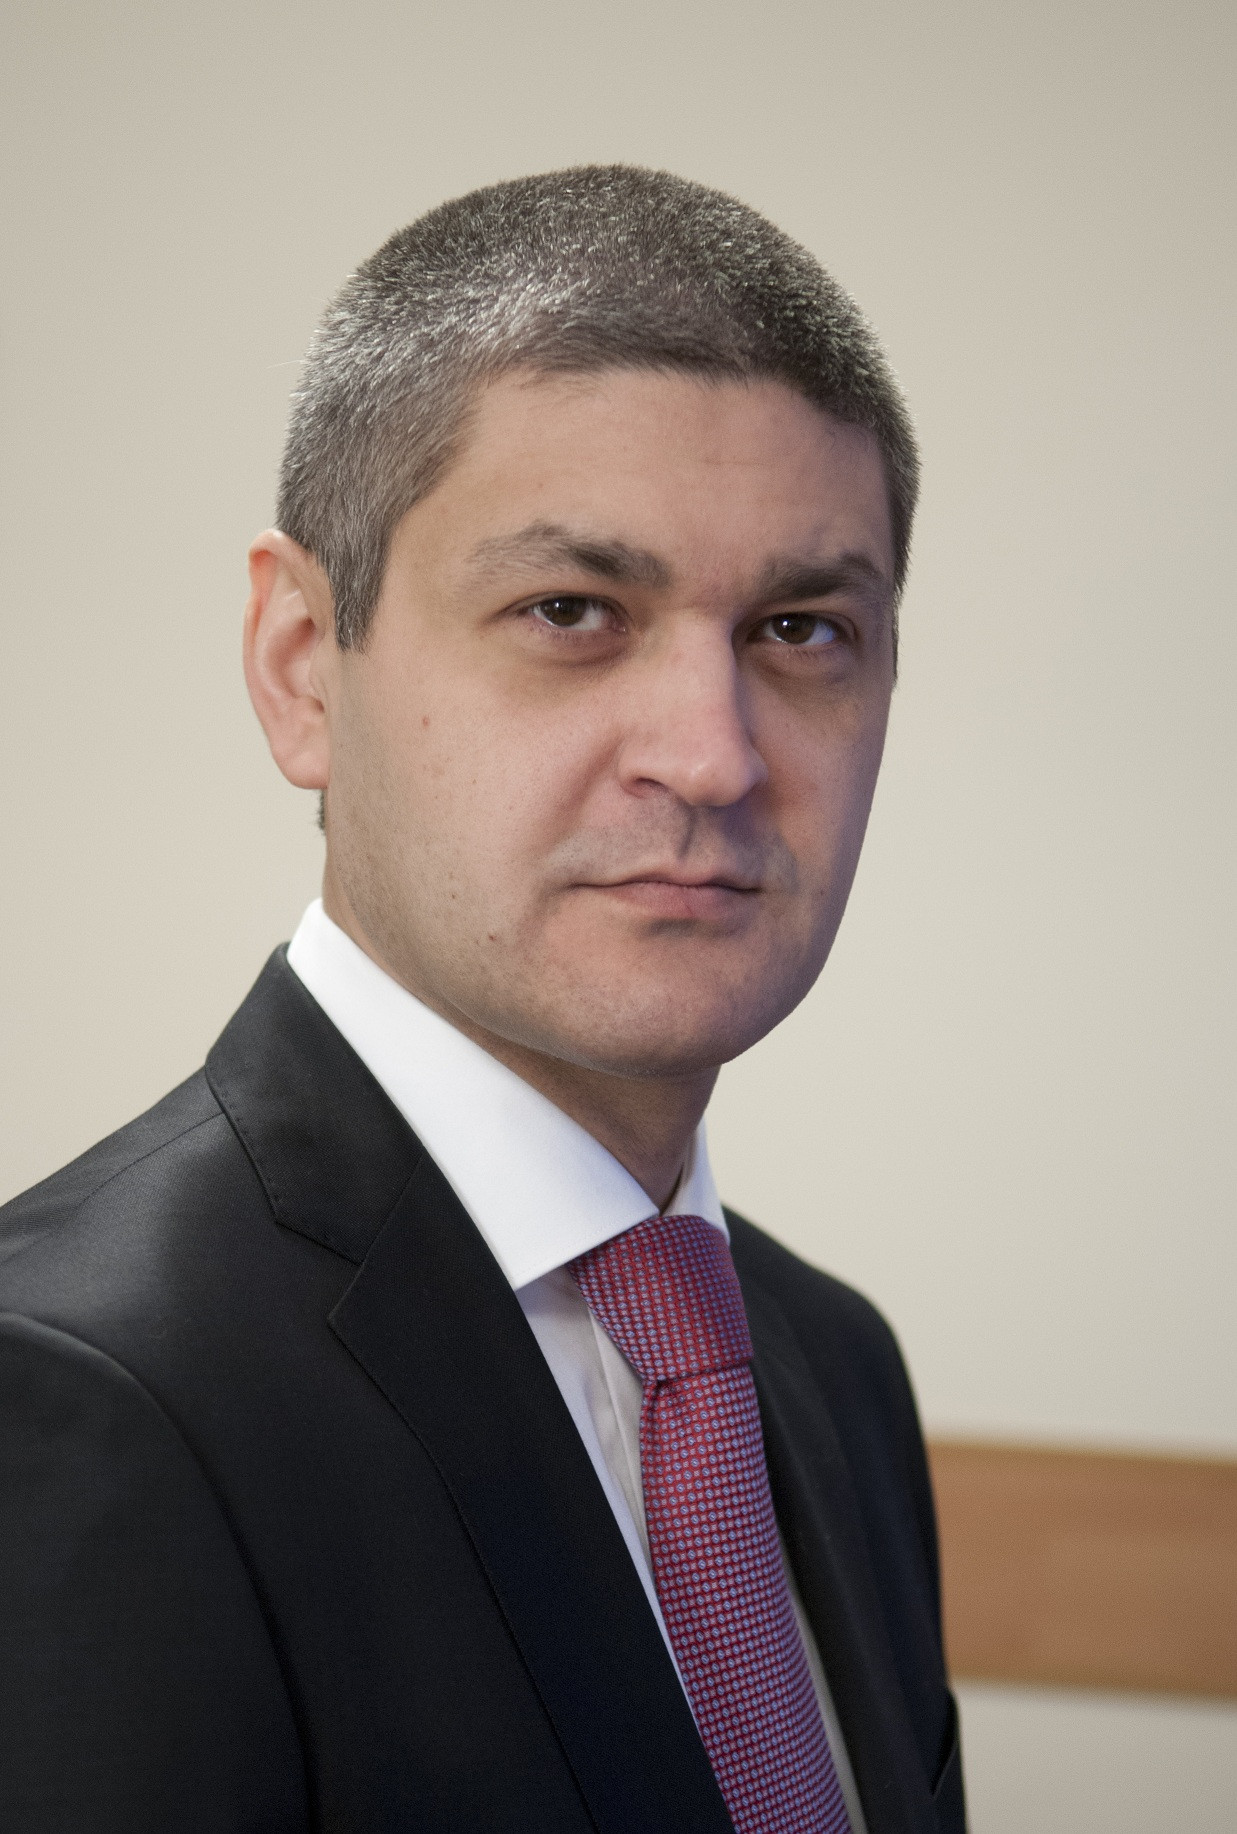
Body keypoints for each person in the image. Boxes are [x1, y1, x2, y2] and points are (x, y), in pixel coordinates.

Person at [0, 167, 964, 1833]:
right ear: (302, 664)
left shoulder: (828, 1364)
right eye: (570, 611)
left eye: (801, 628)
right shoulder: (75, 1391)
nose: (713, 754)